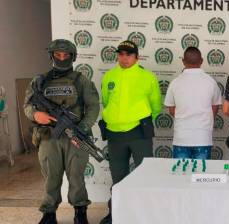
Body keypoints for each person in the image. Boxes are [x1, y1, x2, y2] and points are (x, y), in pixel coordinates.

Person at [24, 39, 100, 224]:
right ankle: (49, 213)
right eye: (58, 54)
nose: (62, 58)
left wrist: (80, 130)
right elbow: (27, 105)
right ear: (52, 56)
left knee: (76, 176)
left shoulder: (81, 80)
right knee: (51, 176)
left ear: (72, 57)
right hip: (48, 137)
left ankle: (80, 212)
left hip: (74, 137)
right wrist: (36, 114)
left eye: (66, 55)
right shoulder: (39, 81)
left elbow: (93, 107)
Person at [99, 40, 161, 224]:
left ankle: (145, 214)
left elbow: (156, 106)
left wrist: (142, 121)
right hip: (114, 134)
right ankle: (116, 214)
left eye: (129, 54)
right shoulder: (110, 76)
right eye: (121, 54)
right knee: (118, 176)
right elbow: (105, 101)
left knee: (146, 175)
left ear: (137, 57)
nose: (124, 58)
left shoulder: (147, 77)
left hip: (139, 133)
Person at [164, 47, 222, 159]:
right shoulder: (211, 82)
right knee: (200, 175)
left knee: (180, 174)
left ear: (183, 61)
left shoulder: (175, 83)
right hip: (203, 137)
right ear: (202, 61)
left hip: (181, 137)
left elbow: (172, 110)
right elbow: (215, 108)